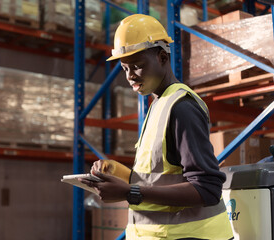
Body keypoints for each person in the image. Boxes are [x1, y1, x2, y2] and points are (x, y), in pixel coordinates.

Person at [79, 14, 234, 239]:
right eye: (124, 68)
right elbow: (161, 175)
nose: (130, 76)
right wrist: (118, 173)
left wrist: (129, 192)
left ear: (162, 57)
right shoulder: (159, 103)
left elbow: (207, 188)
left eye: (137, 66)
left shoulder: (182, 107)